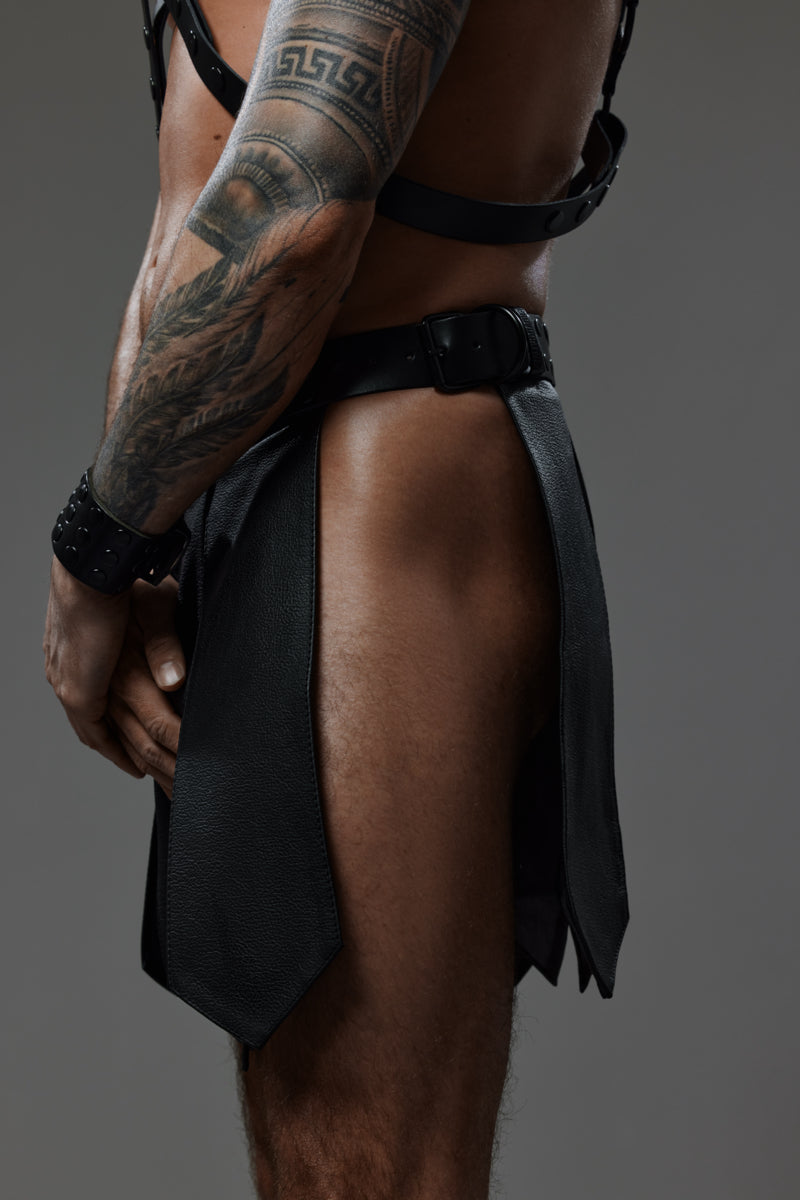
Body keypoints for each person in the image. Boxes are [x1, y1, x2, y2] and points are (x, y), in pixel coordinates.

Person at [44, 0, 634, 1195]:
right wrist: (149, 532)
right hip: (284, 487)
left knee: (367, 1174)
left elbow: (296, 205)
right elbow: (195, 207)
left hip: (377, 489)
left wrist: (97, 544)